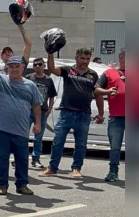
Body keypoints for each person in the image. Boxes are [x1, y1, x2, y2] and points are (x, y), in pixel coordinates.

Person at [0, 52, 42, 195]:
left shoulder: (30, 85)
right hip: (1, 128)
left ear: (23, 68)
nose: (14, 69)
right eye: (11, 66)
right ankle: (2, 185)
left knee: (21, 159)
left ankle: (22, 185)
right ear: (7, 67)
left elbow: (36, 106)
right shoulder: (0, 80)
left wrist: (37, 124)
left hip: (21, 129)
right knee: (2, 158)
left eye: (17, 66)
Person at [40, 48, 99, 178]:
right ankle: (52, 168)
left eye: (88, 59)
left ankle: (76, 169)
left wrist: (100, 112)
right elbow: (51, 69)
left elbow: (97, 93)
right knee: (58, 142)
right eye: (82, 58)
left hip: (84, 114)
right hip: (66, 113)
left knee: (81, 145)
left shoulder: (93, 75)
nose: (85, 61)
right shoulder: (67, 70)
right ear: (76, 57)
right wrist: (50, 53)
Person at [95, 48, 125, 182]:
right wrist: (107, 91)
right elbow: (97, 90)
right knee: (115, 147)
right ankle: (113, 172)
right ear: (121, 57)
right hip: (116, 116)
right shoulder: (109, 73)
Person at [25, 57, 57, 168]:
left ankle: (36, 159)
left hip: (42, 111)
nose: (37, 66)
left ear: (44, 66)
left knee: (38, 137)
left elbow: (52, 96)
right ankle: (20, 157)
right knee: (23, 135)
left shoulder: (48, 80)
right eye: (35, 65)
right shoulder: (28, 78)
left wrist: (49, 109)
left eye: (39, 64)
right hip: (28, 111)